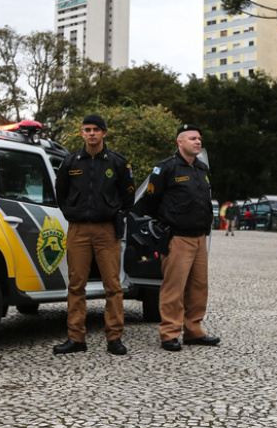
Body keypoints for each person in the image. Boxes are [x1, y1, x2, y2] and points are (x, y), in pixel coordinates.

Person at [53, 113, 135, 356]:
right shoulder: (71, 162)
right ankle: (76, 338)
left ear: (104, 133)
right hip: (78, 230)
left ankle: (114, 338)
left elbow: (127, 197)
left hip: (106, 230)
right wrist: (72, 213)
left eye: (96, 130)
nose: (91, 133)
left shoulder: (117, 163)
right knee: (76, 285)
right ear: (82, 133)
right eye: (87, 129)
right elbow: (61, 194)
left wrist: (112, 213)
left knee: (113, 285)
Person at [141, 124, 220, 352]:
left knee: (198, 287)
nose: (198, 142)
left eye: (199, 138)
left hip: (199, 239)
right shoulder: (166, 168)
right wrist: (165, 223)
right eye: (193, 138)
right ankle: (170, 333)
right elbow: (150, 201)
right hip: (177, 238)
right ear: (180, 142)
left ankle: (194, 331)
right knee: (173, 288)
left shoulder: (202, 169)